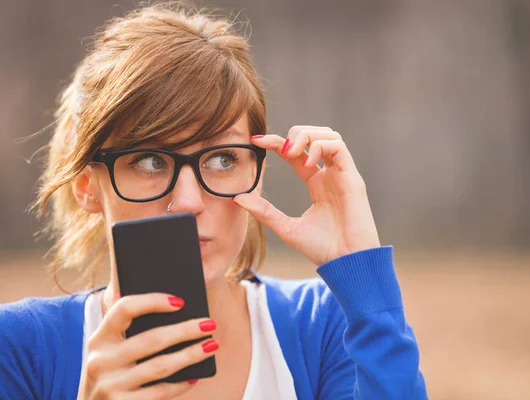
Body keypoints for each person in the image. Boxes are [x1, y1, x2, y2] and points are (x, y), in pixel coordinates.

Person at [0, 3, 428, 399]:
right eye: (149, 160)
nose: (188, 201)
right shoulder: (20, 350)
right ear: (87, 187)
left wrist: (361, 272)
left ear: (257, 174)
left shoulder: (325, 328)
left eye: (223, 159)